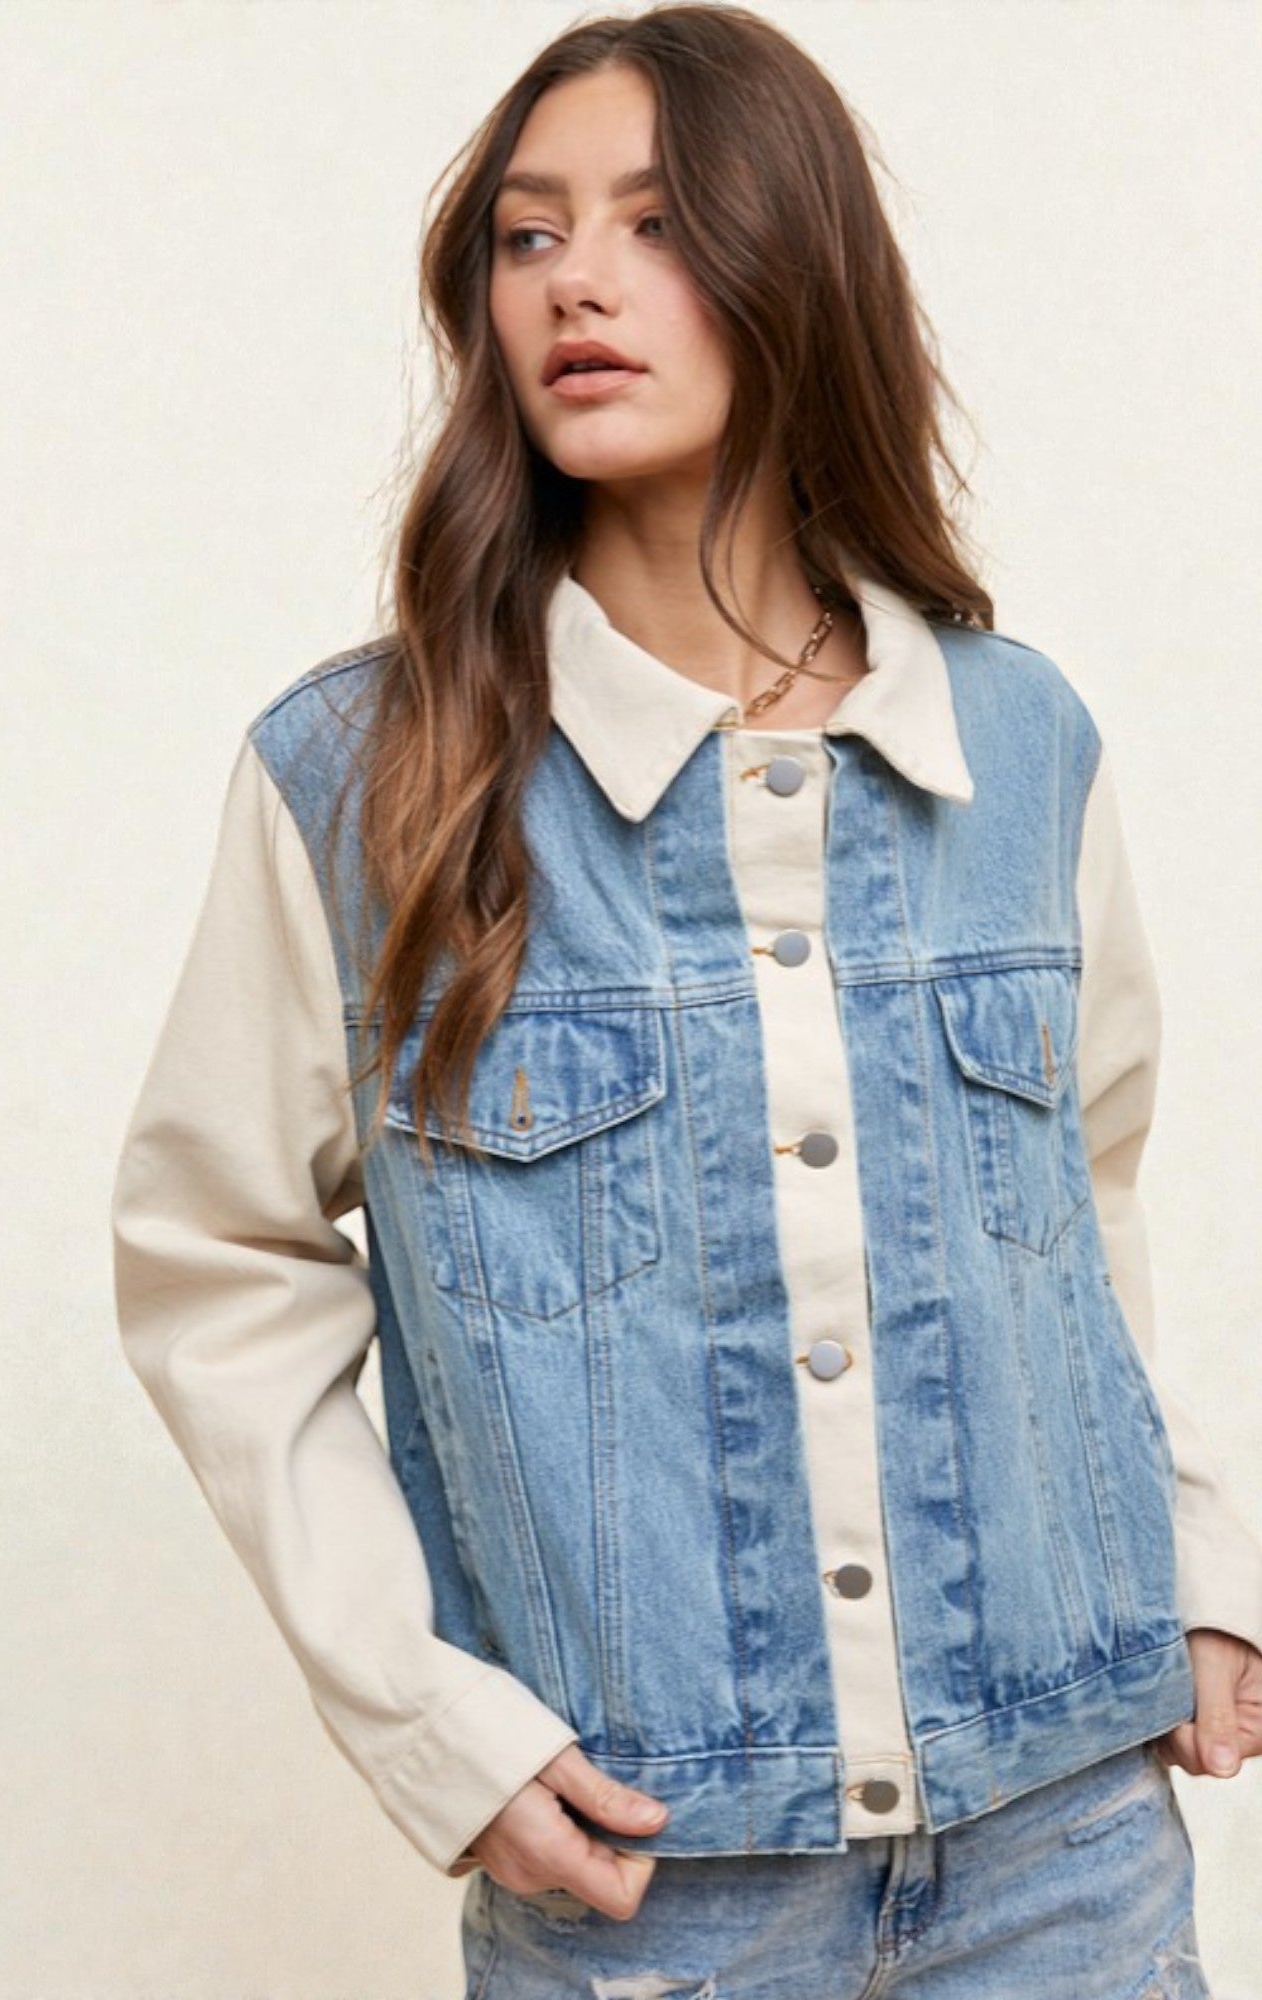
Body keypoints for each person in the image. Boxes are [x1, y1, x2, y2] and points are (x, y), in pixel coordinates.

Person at [110, 6, 1262, 1992]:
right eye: (527, 234)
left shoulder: (1017, 743)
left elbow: (1080, 1217)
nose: (576, 282)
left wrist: (1193, 1553)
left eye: (652, 224)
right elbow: (216, 1267)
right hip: (657, 1894)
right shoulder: (361, 782)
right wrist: (430, 1724)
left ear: (792, 267)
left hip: (1066, 1845)